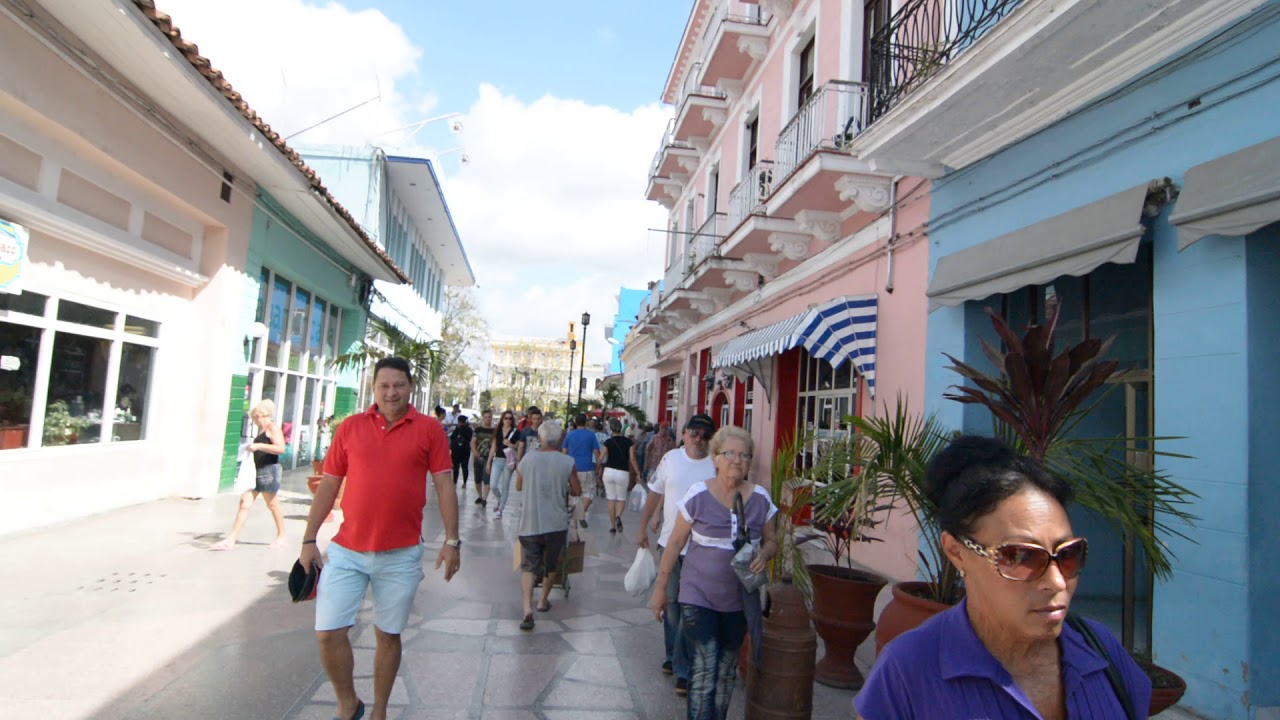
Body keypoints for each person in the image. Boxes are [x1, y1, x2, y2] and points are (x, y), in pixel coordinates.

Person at [854, 435, 1151, 720]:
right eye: (1022, 556)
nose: (1057, 582)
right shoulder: (908, 672)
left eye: (1068, 554)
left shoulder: (1101, 651)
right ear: (956, 552)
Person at [300, 357, 460, 720]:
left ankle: (380, 711)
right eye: (384, 386)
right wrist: (309, 539)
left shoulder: (429, 430)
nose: (391, 392)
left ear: (410, 388)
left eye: (398, 385)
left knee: (388, 635)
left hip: (400, 554)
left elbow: (445, 484)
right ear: (373, 389)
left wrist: (452, 542)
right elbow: (329, 483)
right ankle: (348, 703)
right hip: (346, 550)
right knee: (327, 632)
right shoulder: (351, 428)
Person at [650, 425, 776, 720]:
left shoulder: (760, 499)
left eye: (744, 455)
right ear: (716, 458)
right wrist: (660, 589)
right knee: (706, 667)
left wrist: (765, 553)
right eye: (729, 453)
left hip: (739, 601)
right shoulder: (699, 494)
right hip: (698, 596)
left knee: (726, 672)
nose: (737, 460)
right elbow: (676, 542)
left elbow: (772, 540)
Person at [637, 413, 716, 695]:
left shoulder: (716, 464)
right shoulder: (671, 459)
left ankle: (683, 669)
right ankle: (672, 656)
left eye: (706, 435)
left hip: (701, 548)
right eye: (695, 433)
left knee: (689, 608)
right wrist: (644, 526)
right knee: (670, 605)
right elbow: (656, 494)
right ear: (684, 433)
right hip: (670, 543)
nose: (699, 439)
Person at [514, 419, 581, 630]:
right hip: (556, 522)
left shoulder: (528, 459)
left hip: (530, 521)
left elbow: (518, 486)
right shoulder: (567, 462)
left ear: (541, 438)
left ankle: (527, 608)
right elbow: (577, 491)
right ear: (559, 438)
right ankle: (543, 601)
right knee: (551, 564)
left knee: (528, 565)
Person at [211, 399, 288, 551]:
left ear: (260, 415)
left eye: (254, 418)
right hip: (259, 471)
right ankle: (230, 539)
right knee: (245, 502)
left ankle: (281, 536)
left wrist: (259, 445)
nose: (254, 421)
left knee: (272, 504)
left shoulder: (272, 427)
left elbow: (281, 448)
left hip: (269, 471)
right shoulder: (262, 429)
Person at [562, 413, 602, 528]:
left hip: (572, 468)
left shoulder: (569, 435)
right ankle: (580, 513)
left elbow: (564, 452)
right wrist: (598, 467)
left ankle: (574, 522)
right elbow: (597, 453)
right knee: (590, 492)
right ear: (586, 422)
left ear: (575, 422)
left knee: (574, 495)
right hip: (587, 468)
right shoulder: (591, 435)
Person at [601, 418, 639, 534]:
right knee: (621, 498)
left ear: (611, 429)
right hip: (622, 472)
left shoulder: (608, 442)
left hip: (608, 471)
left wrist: (598, 468)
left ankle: (612, 526)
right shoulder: (629, 442)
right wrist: (637, 472)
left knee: (611, 499)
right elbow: (632, 458)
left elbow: (601, 457)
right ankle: (618, 516)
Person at [489, 410, 520, 519]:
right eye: (506, 418)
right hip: (497, 459)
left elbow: (517, 446)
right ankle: (499, 499)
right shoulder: (497, 431)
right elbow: (493, 447)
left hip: (508, 460)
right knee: (493, 485)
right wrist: (489, 461)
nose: (508, 420)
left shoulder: (515, 432)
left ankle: (500, 509)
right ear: (502, 419)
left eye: (510, 418)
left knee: (505, 485)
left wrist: (510, 444)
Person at [471, 409, 496, 508]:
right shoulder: (478, 430)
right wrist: (475, 452)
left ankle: (485, 498)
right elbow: (473, 442)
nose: (487, 419)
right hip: (478, 456)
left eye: (489, 417)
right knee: (477, 479)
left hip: (488, 457)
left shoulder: (494, 431)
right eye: (485, 417)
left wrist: (490, 457)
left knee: (487, 478)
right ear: (483, 418)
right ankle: (480, 496)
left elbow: (494, 444)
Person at [450, 414, 473, 491]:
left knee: (456, 467)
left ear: (459, 421)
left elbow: (452, 437)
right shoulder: (469, 430)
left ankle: (455, 482)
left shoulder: (458, 429)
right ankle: (465, 483)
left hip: (457, 451)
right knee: (465, 467)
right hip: (466, 450)